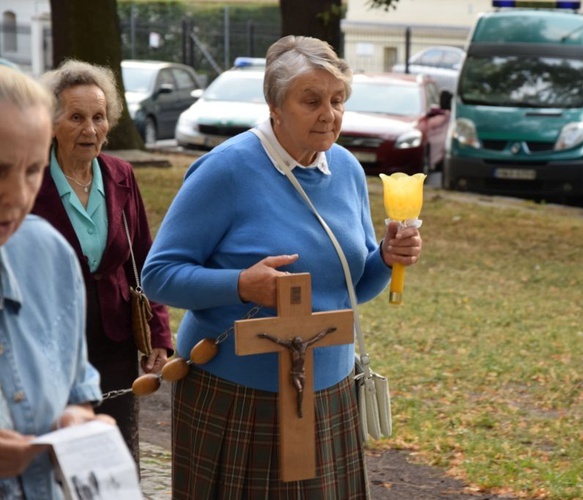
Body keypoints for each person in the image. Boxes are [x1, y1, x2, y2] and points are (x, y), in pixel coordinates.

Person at [142, 35, 422, 498]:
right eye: (311, 100)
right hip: (237, 396)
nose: (328, 113)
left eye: (337, 100)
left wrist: (385, 259)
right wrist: (242, 285)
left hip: (330, 392)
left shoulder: (347, 169)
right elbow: (159, 275)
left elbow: (350, 287)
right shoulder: (226, 169)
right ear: (275, 107)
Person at [31, 59, 173, 466]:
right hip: (49, 343)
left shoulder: (120, 175)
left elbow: (144, 261)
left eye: (99, 117)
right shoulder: (30, 178)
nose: (90, 129)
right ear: (52, 121)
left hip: (115, 341)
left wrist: (159, 333)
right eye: (76, 117)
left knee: (114, 455)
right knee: (55, 455)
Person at [0, 65, 114, 499]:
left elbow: (74, 389)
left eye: (32, 170)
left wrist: (76, 423)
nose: (17, 196)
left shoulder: (48, 254)